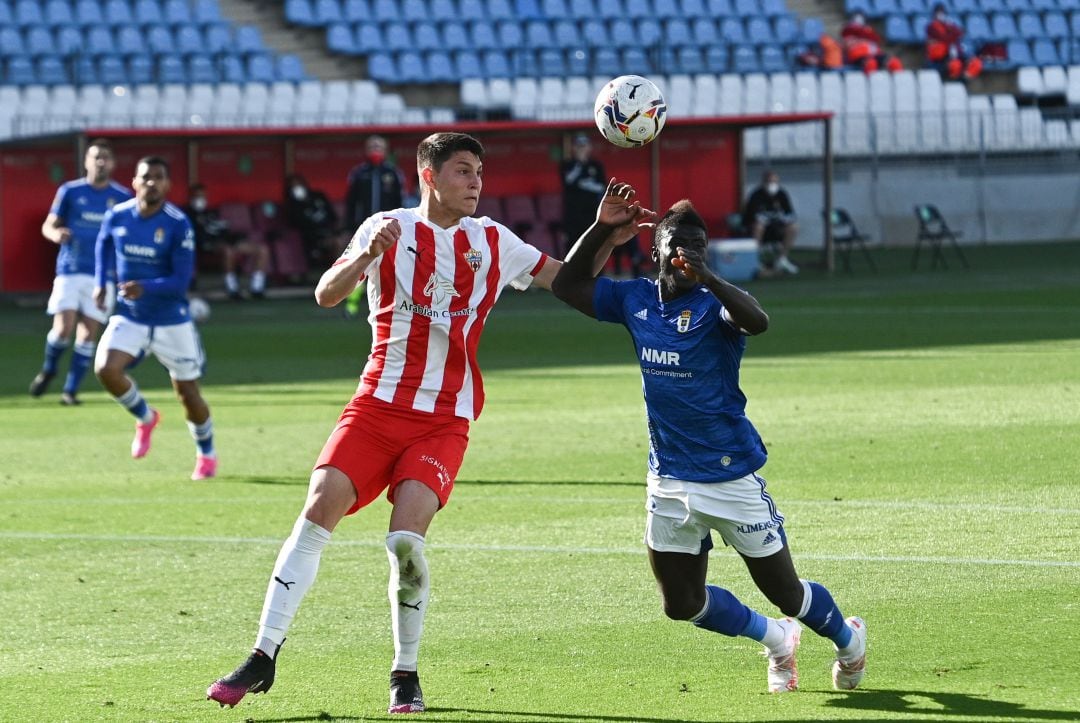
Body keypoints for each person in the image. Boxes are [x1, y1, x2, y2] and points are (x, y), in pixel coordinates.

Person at [205, 132, 629, 714]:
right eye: (461, 170)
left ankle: (405, 672)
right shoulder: (388, 227)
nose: (475, 181)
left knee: (405, 540)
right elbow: (327, 295)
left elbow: (570, 279)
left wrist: (603, 231)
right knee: (316, 509)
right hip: (377, 405)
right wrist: (364, 256)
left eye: (479, 170)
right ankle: (263, 654)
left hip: (443, 420)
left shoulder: (493, 241)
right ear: (428, 176)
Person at [550, 193, 867, 694]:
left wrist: (712, 280)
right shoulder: (635, 300)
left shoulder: (714, 305)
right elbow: (567, 285)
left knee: (785, 591)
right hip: (669, 479)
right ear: (657, 251)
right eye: (679, 246)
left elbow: (758, 322)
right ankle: (778, 640)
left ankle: (849, 641)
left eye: (699, 248)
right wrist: (600, 228)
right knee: (681, 605)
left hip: (730, 476)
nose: (689, 256)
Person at [93, 156, 217, 482]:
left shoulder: (178, 223)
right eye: (146, 177)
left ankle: (206, 453)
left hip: (171, 320)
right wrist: (100, 284)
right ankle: (145, 417)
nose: (152, 183)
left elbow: (181, 280)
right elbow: (103, 246)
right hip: (130, 315)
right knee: (106, 369)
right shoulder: (117, 216)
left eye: (158, 177)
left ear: (167, 185)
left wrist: (144, 287)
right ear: (134, 181)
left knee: (188, 393)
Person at [29, 139, 131, 406]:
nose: (100, 162)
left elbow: (128, 237)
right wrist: (55, 234)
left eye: (105, 157)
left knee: (87, 335)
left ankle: (70, 391)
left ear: (113, 163)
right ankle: (50, 368)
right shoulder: (70, 192)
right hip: (70, 270)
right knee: (63, 329)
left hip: (102, 276)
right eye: (95, 157)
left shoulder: (121, 198)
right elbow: (49, 225)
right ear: (86, 161)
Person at [343, 135, 407, 318]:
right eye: (372, 146)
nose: (375, 150)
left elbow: (401, 203)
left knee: (391, 268)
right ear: (366, 150)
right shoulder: (359, 173)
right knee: (359, 267)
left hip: (389, 229)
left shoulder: (394, 174)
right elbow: (351, 202)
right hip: (363, 229)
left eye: (379, 146)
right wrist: (349, 226)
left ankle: (394, 307)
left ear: (386, 150)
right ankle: (351, 306)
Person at [184, 183, 269, 300]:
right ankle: (232, 288)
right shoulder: (187, 214)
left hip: (227, 241)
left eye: (202, 196)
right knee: (228, 251)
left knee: (262, 250)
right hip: (207, 245)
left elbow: (223, 229)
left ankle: (257, 287)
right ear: (191, 198)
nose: (200, 200)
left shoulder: (211, 213)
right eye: (197, 196)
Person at [742, 170, 799, 276]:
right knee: (759, 227)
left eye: (774, 181)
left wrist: (785, 219)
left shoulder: (782, 194)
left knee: (793, 227)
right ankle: (755, 260)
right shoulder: (756, 195)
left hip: (777, 228)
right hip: (759, 230)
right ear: (763, 182)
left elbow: (790, 213)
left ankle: (782, 259)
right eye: (769, 181)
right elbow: (750, 217)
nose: (772, 184)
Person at [283, 173, 341, 269]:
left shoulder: (318, 196)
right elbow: (295, 223)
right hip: (311, 236)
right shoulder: (291, 204)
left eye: (299, 185)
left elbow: (333, 216)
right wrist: (300, 203)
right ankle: (339, 272)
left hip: (330, 231)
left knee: (345, 238)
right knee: (336, 243)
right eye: (293, 186)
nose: (297, 188)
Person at [926, 3, 982, 80]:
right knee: (955, 65)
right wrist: (952, 35)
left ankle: (965, 78)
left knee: (976, 63)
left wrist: (951, 33)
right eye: (938, 12)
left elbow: (959, 33)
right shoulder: (931, 26)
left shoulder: (949, 24)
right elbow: (943, 37)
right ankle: (954, 82)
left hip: (957, 54)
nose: (940, 15)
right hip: (942, 57)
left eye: (942, 12)